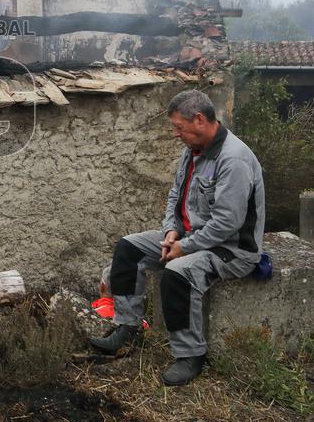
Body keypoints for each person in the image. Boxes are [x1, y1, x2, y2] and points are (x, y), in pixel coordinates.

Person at [89, 89, 265, 386]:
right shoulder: (193, 151)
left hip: (231, 249)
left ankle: (190, 355)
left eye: (178, 127)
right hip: (190, 237)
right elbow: (176, 196)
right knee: (128, 248)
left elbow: (226, 223)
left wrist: (183, 247)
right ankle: (128, 328)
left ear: (199, 120)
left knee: (176, 273)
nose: (175, 134)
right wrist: (171, 231)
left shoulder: (233, 159)